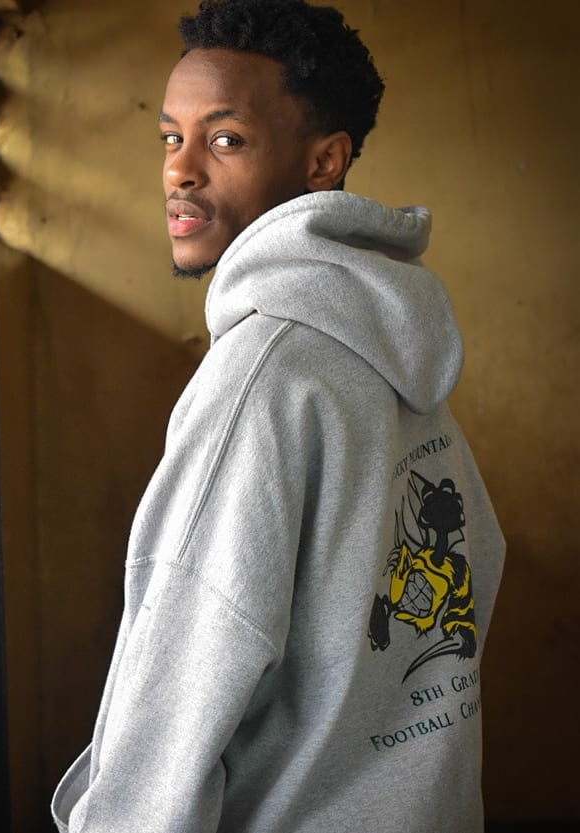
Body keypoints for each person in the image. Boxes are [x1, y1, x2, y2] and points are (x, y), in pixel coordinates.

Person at [52, 1, 505, 831]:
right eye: (170, 137)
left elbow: (180, 683)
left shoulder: (264, 375)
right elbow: (478, 562)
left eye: (225, 139)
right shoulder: (391, 349)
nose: (180, 170)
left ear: (324, 160)